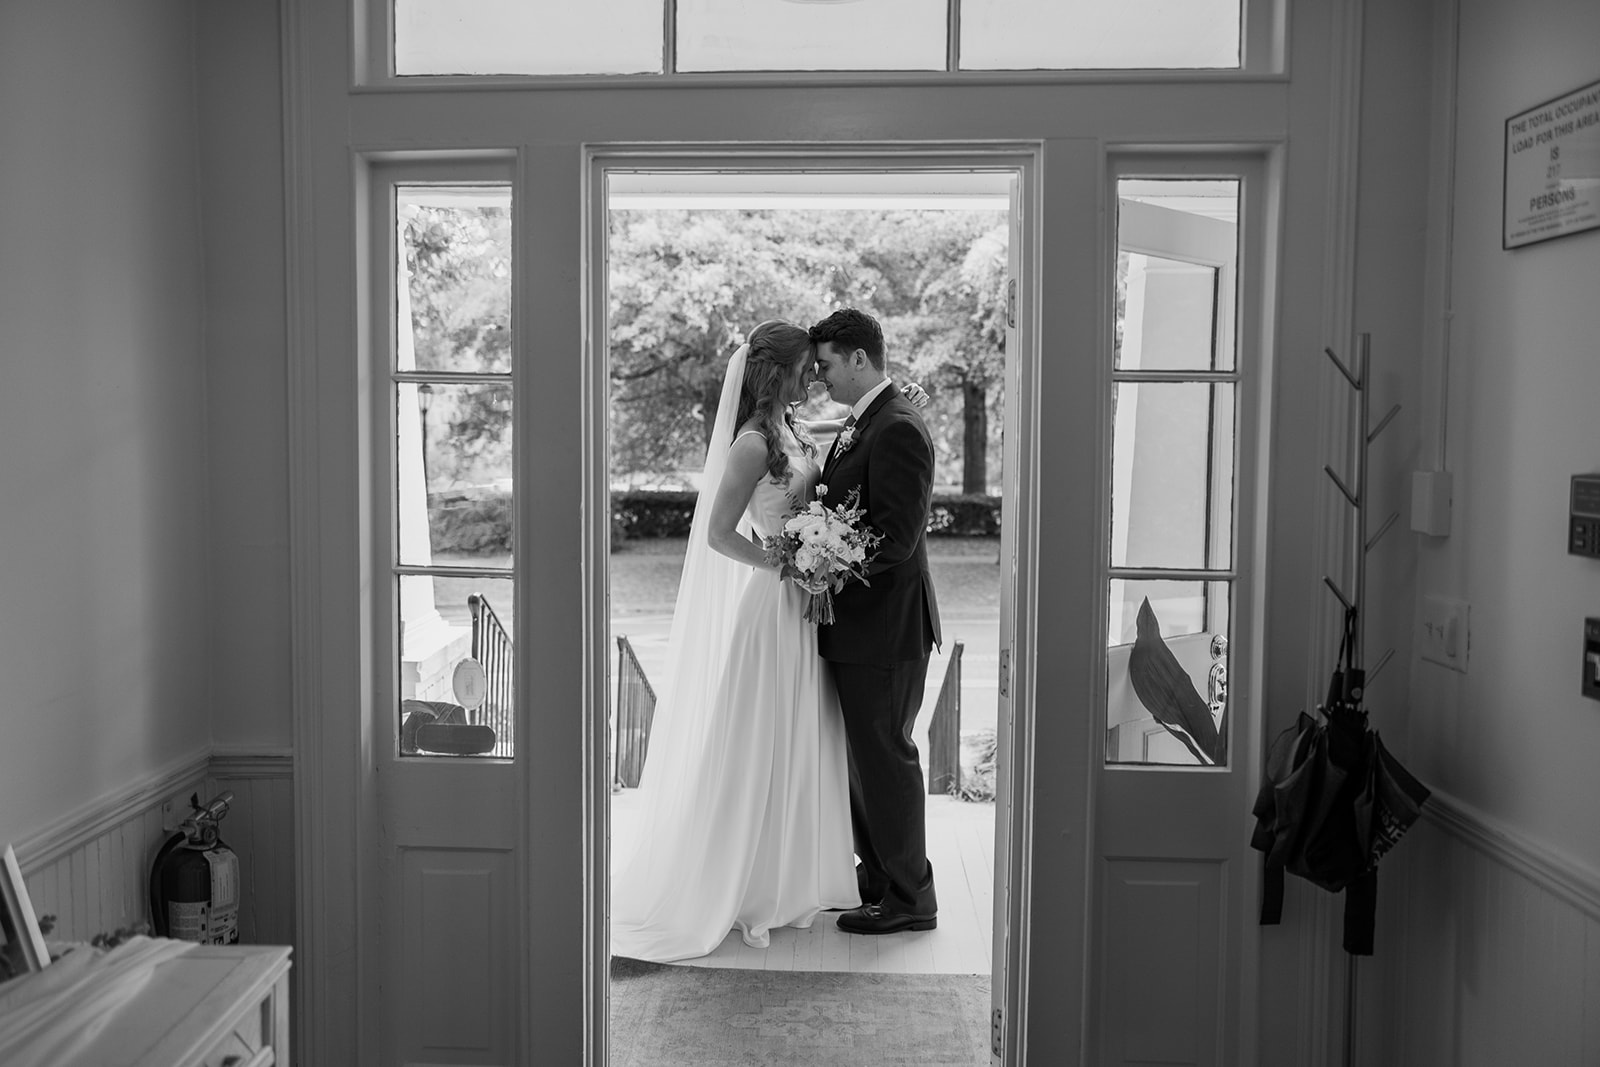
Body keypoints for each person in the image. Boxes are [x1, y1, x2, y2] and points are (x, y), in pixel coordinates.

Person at [609, 320, 860, 962]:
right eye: (806, 366)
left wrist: (821, 549)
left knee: (801, 735)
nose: (813, 376)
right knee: (762, 740)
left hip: (806, 599)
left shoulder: (793, 430)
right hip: (775, 606)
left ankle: (790, 878)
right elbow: (720, 534)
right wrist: (789, 563)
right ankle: (746, 885)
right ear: (774, 372)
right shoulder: (752, 442)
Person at [808, 307, 942, 935]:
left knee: (887, 760)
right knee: (865, 762)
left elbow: (896, 535)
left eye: (828, 365)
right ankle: (881, 878)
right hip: (859, 627)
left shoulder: (898, 427)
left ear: (859, 358)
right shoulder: (866, 420)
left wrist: (825, 560)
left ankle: (911, 899)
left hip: (885, 628)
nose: (822, 378)